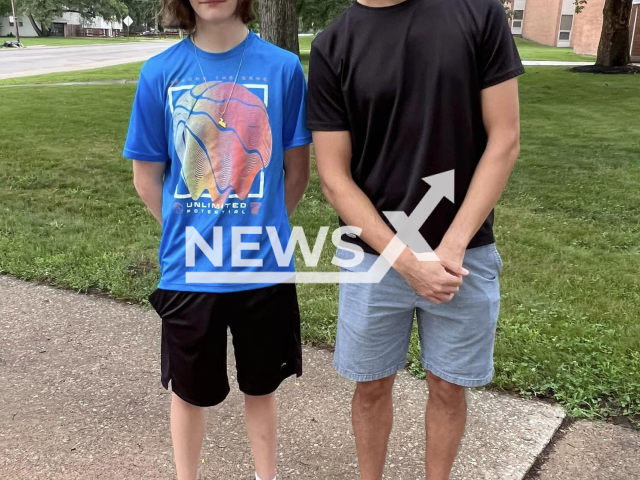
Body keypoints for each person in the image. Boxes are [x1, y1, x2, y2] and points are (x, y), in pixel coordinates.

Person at [307, 0, 523, 478]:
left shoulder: (478, 14)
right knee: (370, 385)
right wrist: (406, 260)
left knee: (448, 387)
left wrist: (452, 246)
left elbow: (504, 137)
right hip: (374, 259)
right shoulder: (332, 46)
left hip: (463, 254)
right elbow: (334, 177)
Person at [123, 0, 312, 479]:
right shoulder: (160, 72)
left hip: (261, 267)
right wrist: (185, 231)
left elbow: (296, 172)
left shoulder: (284, 68)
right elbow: (146, 176)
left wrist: (260, 225)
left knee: (261, 387)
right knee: (188, 391)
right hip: (191, 270)